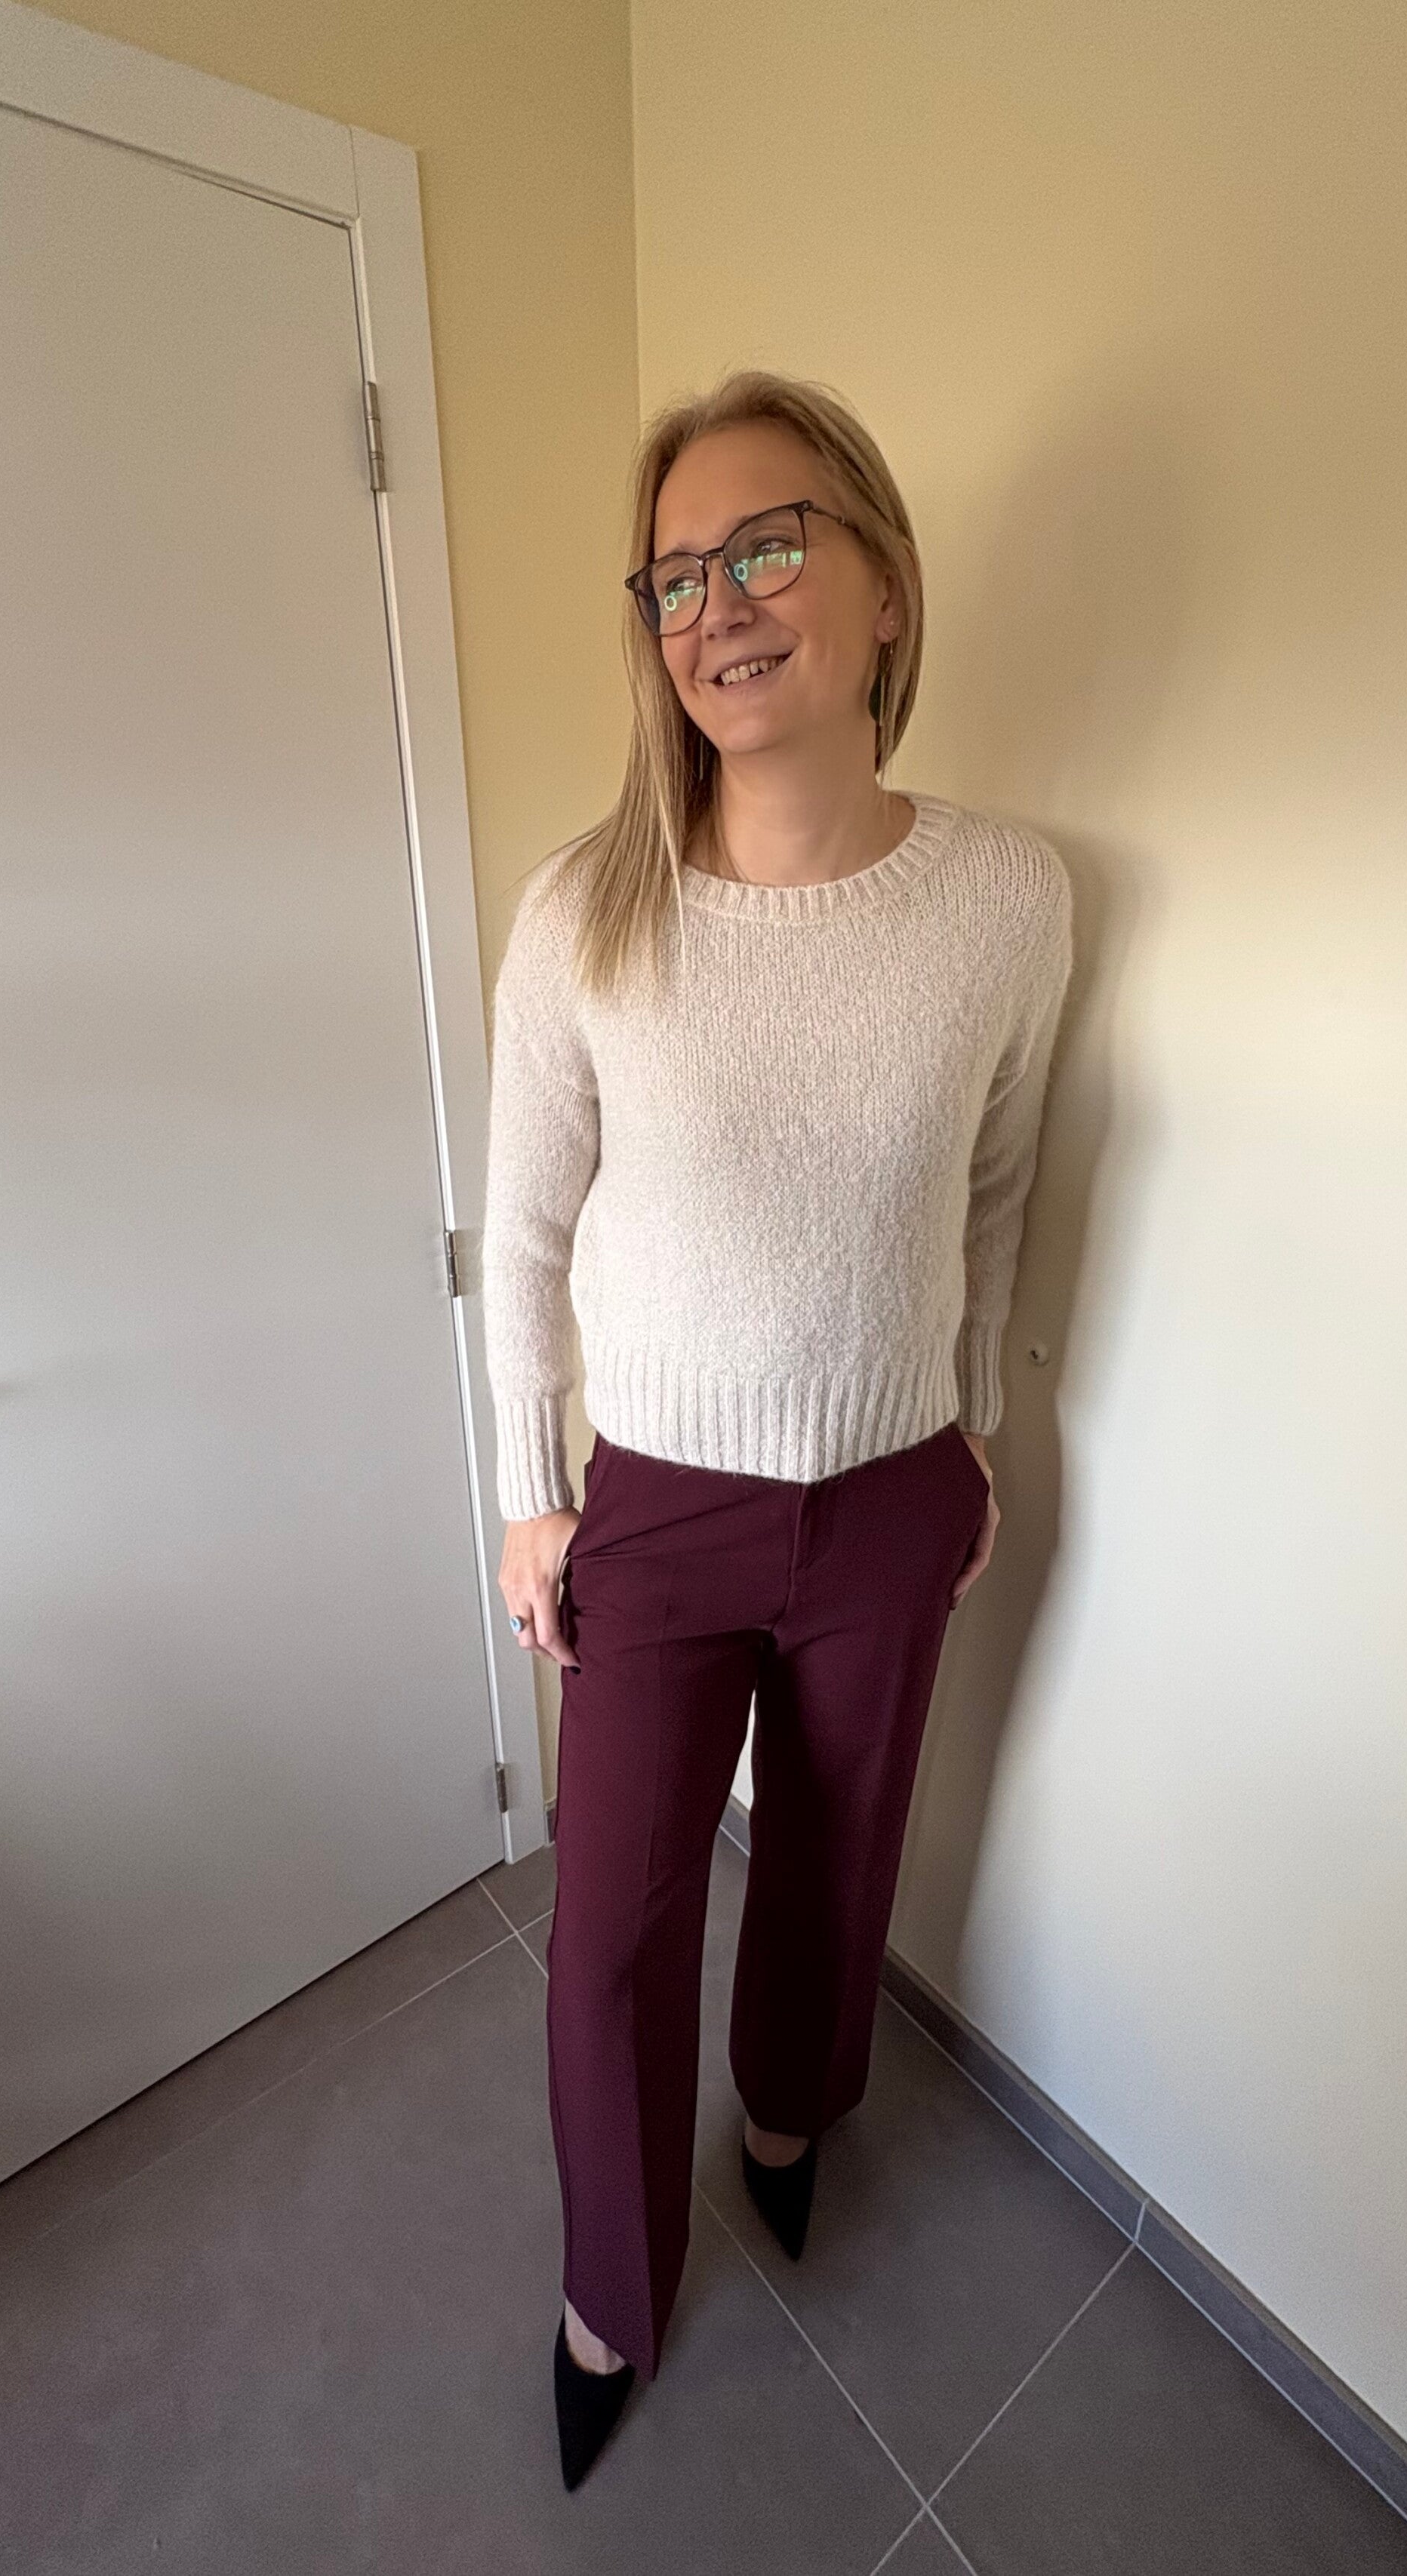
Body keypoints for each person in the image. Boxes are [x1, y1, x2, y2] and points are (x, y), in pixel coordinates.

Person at [480, 367, 1073, 2490]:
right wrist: (533, 1496)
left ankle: (795, 2117)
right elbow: (522, 1234)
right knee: (614, 1931)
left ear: (886, 587)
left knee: (839, 1854)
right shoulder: (586, 912)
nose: (718, 605)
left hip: (896, 1488)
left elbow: (994, 1189)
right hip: (655, 1503)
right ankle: (611, 2289)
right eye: (674, 575)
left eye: (768, 546)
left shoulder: (1010, 899)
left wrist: (972, 1424)